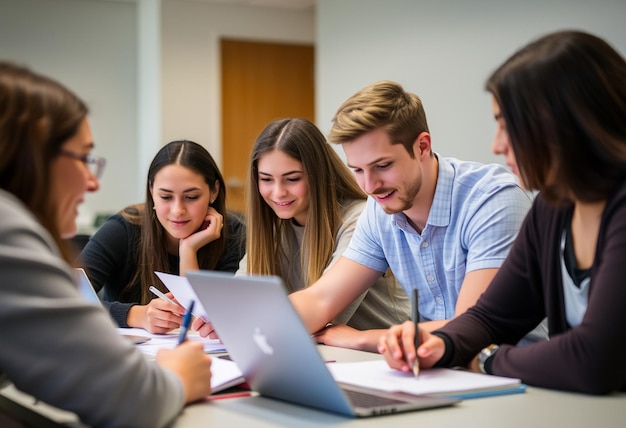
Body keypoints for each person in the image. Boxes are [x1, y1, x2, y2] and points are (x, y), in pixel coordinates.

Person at [379, 30, 626, 395]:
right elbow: (491, 316)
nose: (497, 144)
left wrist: (489, 360)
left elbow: (592, 361)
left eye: (508, 125)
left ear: (563, 124)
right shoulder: (552, 208)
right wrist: (443, 344)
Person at [0, 61, 212, 426]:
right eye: (83, 159)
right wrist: (175, 375)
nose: (93, 183)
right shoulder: (9, 231)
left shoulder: (234, 231)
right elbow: (132, 399)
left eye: (191, 196)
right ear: (31, 158)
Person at [288, 80, 538, 352]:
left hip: (510, 372)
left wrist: (362, 339)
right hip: (436, 368)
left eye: (382, 166)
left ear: (422, 146)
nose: (370, 187)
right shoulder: (380, 208)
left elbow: (473, 327)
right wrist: (261, 327)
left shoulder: (493, 199)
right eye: (358, 170)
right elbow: (321, 299)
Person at [230, 118, 410, 349]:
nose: (278, 193)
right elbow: (239, 299)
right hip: (324, 352)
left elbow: (323, 314)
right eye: (266, 179)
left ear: (318, 174)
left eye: (292, 179)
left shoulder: (361, 218)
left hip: (381, 356)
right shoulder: (273, 225)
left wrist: (239, 320)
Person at [80, 140, 245, 333]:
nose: (177, 211)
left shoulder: (235, 235)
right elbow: (65, 298)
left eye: (191, 197)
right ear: (151, 191)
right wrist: (137, 315)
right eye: (166, 197)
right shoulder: (123, 229)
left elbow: (195, 323)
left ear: (214, 191)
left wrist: (188, 251)